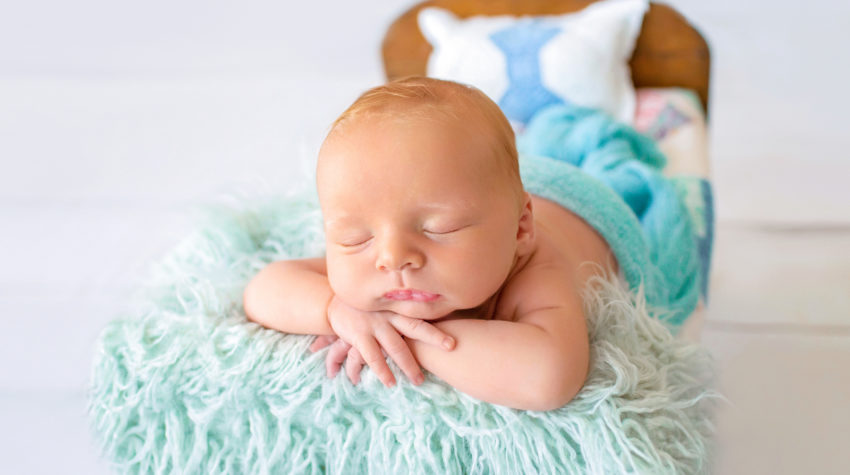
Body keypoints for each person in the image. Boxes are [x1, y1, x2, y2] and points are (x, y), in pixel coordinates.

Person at [243, 77, 618, 411]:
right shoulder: (379, 250)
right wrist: (333, 309)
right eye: (356, 237)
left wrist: (404, 337)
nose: (392, 258)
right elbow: (263, 290)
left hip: (579, 206)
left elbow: (547, 378)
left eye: (439, 228)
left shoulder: (537, 269)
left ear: (520, 229)